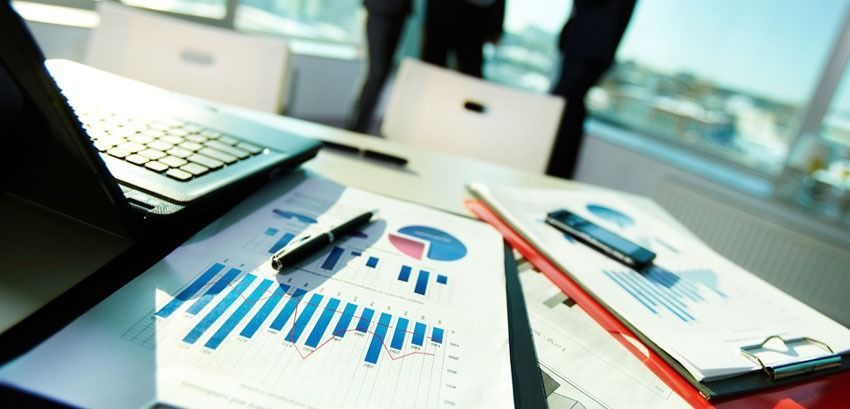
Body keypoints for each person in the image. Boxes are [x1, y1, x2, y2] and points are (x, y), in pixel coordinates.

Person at [546, 0, 636, 179]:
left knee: (563, 109)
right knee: (566, 109)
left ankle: (553, 172)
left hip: (589, 44)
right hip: (589, 44)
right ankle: (555, 173)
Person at [348, 0, 413, 134]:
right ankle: (357, 126)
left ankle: (363, 125)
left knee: (384, 72)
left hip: (399, 13)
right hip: (378, 10)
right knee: (377, 71)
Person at [421, 0, 505, 78]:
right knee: (431, 66)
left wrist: (496, 25)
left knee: (471, 71)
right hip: (442, 11)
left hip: (474, 17)